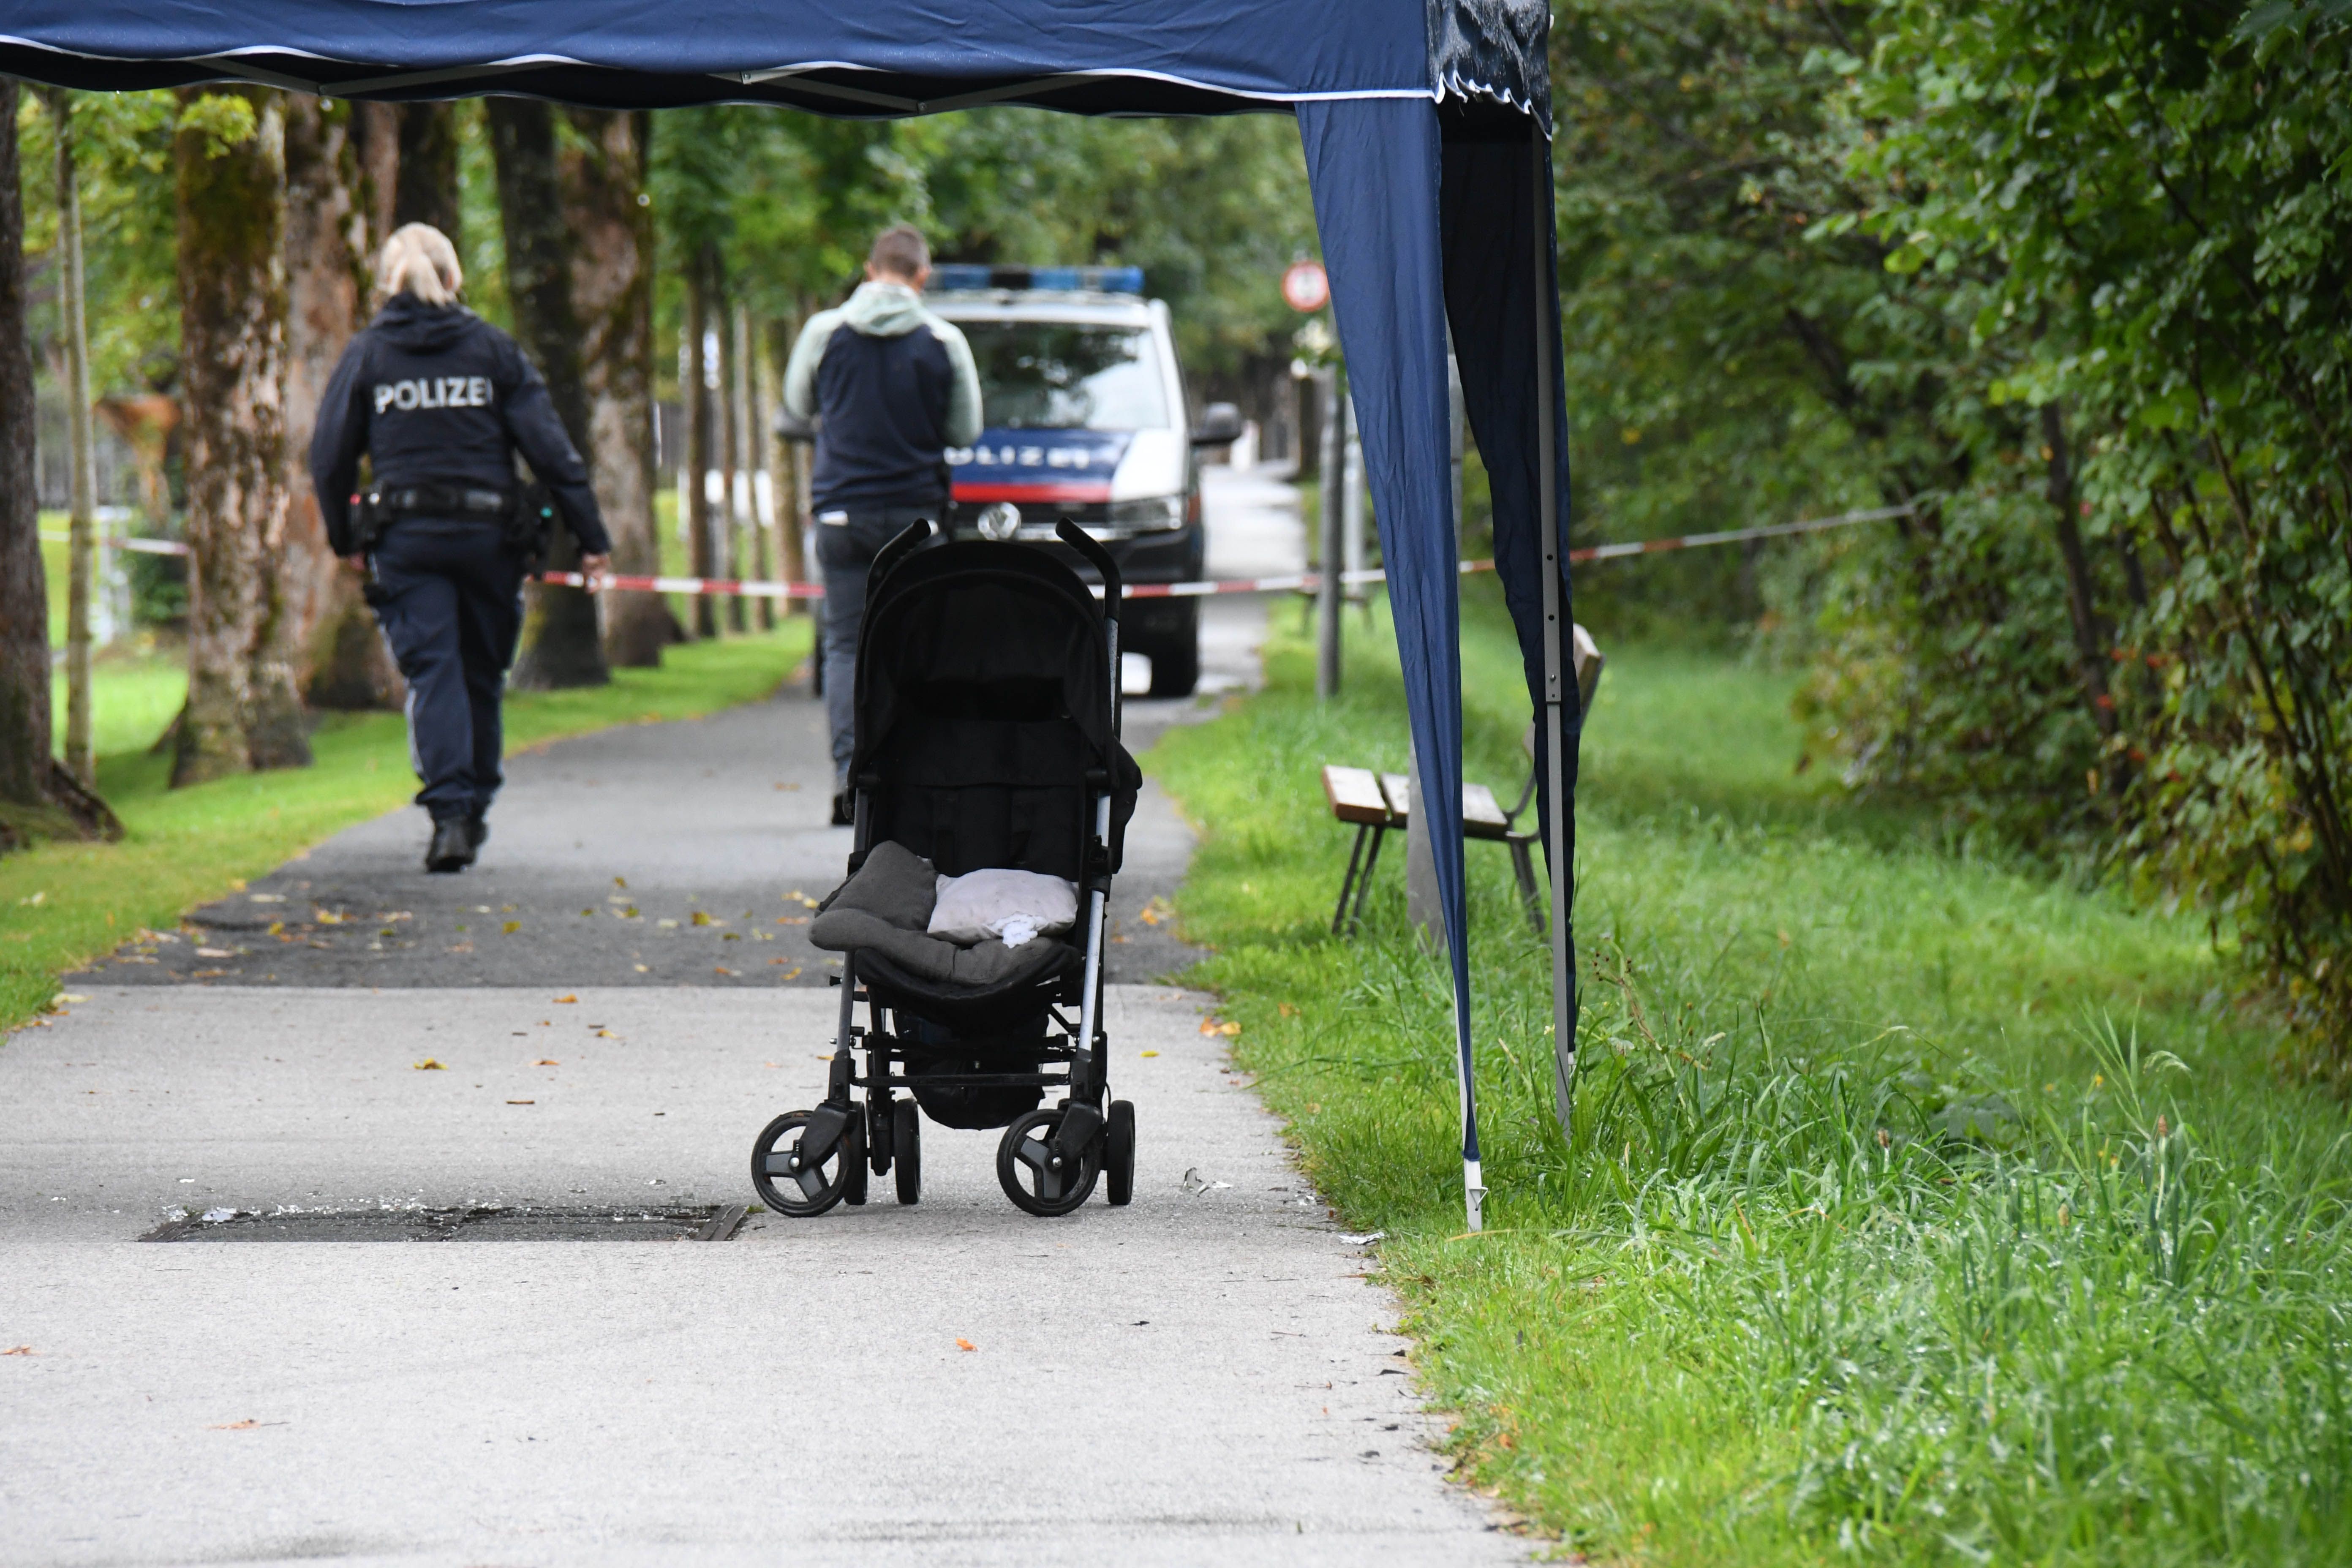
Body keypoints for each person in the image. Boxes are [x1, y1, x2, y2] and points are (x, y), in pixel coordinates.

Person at [310, 223, 611, 873]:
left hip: (407, 542)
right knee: (480, 672)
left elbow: (329, 457)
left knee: (434, 671)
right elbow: (552, 452)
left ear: (386, 286)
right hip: (490, 542)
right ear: (453, 280)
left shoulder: (368, 356)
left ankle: (449, 814)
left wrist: (345, 538)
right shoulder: (493, 351)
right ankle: (472, 807)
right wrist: (592, 540)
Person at [783, 223, 983, 825]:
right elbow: (965, 431)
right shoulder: (944, 340)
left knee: (845, 646)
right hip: (917, 520)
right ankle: (908, 782)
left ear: (870, 270)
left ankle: (850, 784)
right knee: (915, 648)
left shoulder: (824, 331)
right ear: (922, 276)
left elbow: (797, 405)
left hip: (842, 514)